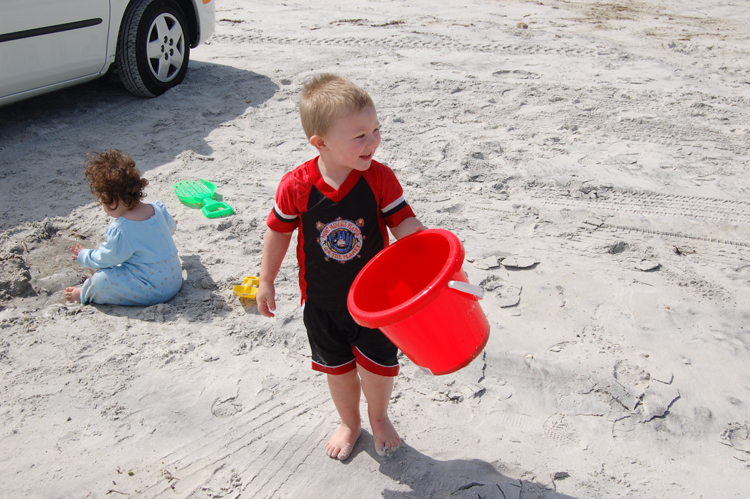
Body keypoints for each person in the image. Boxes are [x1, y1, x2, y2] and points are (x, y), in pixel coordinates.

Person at [256, 74, 426, 461]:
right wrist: (266, 280)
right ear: (321, 143)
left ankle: (378, 416)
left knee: (381, 369)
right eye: (360, 136)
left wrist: (428, 248)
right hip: (322, 303)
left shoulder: (379, 178)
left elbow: (403, 223)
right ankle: (350, 423)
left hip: (376, 302)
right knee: (339, 371)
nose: (374, 142)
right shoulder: (296, 185)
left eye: (376, 130)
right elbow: (278, 232)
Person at [65, 149, 182, 306]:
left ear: (111, 202)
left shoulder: (122, 229)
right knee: (128, 259)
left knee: (101, 281)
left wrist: (85, 256)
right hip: (174, 280)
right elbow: (171, 228)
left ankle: (83, 293)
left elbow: (107, 257)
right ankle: (98, 271)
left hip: (154, 289)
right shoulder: (158, 209)